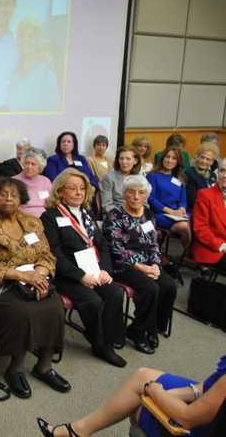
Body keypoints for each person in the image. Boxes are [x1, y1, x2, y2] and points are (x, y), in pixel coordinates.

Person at [0, 178, 70, 399]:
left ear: (22, 198)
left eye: (14, 195)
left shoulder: (32, 222)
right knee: (22, 311)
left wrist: (40, 275)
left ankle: (44, 365)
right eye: (3, 194)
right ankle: (16, 367)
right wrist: (21, 275)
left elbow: (45, 254)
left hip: (31, 277)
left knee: (54, 305)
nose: (9, 199)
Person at [41, 169, 126, 367]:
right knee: (93, 301)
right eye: (73, 188)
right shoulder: (50, 216)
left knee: (114, 293)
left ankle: (108, 335)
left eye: (82, 188)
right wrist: (81, 276)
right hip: (67, 274)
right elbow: (55, 255)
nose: (79, 192)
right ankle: (100, 344)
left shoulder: (87, 214)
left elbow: (102, 245)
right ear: (61, 191)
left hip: (94, 268)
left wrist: (104, 270)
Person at [37, 354, 226, 437]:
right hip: (207, 399)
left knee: (136, 403)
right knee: (143, 376)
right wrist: (169, 395)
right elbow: (204, 388)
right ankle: (79, 430)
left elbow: (188, 418)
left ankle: (77, 431)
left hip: (203, 427)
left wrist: (156, 392)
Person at [104, 175, 177, 354]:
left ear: (146, 195)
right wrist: (140, 266)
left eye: (141, 193)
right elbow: (116, 248)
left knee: (168, 285)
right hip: (122, 264)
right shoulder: (115, 215)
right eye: (131, 192)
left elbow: (153, 244)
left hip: (147, 263)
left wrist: (156, 265)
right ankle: (138, 332)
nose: (136, 197)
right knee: (150, 288)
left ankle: (150, 326)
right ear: (124, 193)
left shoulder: (149, 215)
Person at [7, 18, 59, 112]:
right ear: (17, 39)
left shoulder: (46, 71)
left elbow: (53, 108)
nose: (25, 39)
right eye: (22, 35)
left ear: (37, 40)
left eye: (31, 36)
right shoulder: (12, 66)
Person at [147, 146, 190, 249]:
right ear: (162, 158)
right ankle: (189, 255)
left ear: (177, 162)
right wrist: (170, 211)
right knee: (186, 227)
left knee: (198, 224)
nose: (169, 160)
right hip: (160, 214)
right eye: (167, 157)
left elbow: (183, 199)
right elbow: (151, 198)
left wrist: (182, 208)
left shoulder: (179, 178)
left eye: (174, 158)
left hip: (178, 214)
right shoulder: (153, 176)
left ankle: (193, 256)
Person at [192, 160, 226, 271]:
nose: (225, 175)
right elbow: (201, 229)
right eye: (222, 171)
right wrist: (221, 245)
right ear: (217, 173)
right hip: (213, 249)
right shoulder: (205, 194)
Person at [99, 145, 141, 213]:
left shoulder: (140, 178)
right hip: (116, 214)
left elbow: (144, 203)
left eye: (128, 159)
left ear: (135, 161)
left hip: (137, 213)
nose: (124, 162)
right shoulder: (109, 178)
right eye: (121, 158)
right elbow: (107, 205)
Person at [14, 148, 51, 217]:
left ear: (40, 166)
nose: (29, 167)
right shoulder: (14, 181)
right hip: (23, 218)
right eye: (27, 163)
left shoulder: (45, 181)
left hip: (45, 218)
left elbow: (50, 204)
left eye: (33, 164)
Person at [185, 142, 218, 213]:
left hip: (210, 209)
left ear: (212, 162)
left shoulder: (213, 176)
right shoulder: (189, 173)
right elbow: (192, 201)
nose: (204, 161)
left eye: (208, 159)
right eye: (202, 157)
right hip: (195, 211)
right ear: (197, 157)